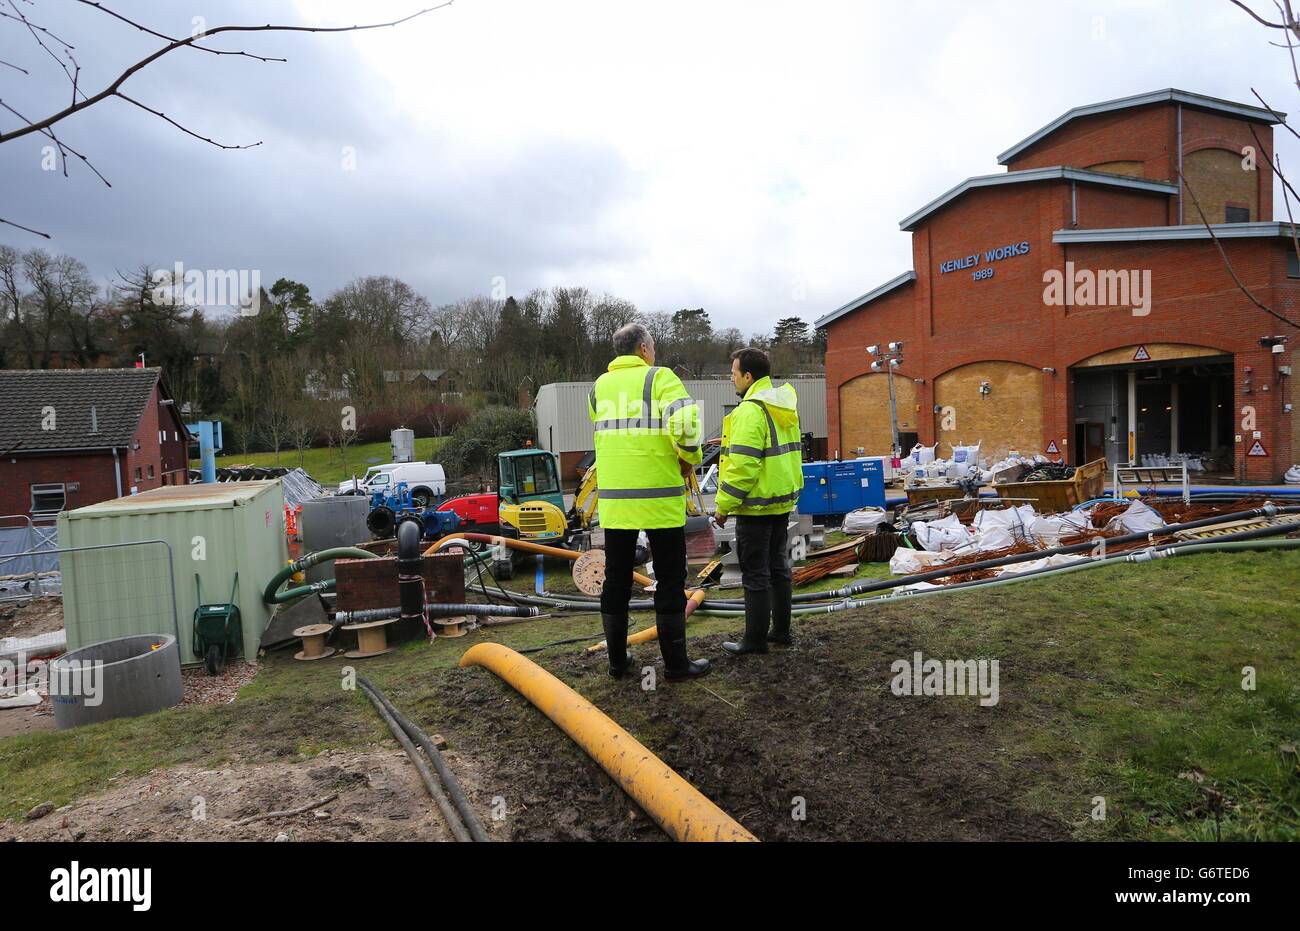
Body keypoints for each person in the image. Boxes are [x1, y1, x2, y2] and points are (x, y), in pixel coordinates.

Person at [590, 323, 711, 681]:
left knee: (615, 581)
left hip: (615, 504)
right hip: (659, 500)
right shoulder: (660, 378)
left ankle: (617, 662)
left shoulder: (597, 389)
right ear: (644, 349)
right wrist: (690, 456)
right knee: (671, 581)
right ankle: (675, 665)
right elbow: (688, 423)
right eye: (653, 345)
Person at [712, 347, 803, 654]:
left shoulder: (750, 411)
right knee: (778, 567)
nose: (732, 379)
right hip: (780, 502)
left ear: (747, 376)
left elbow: (743, 467)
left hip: (755, 507)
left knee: (755, 573)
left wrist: (723, 506)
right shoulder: (781, 405)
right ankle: (780, 632)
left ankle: (753, 640)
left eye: (734, 374)